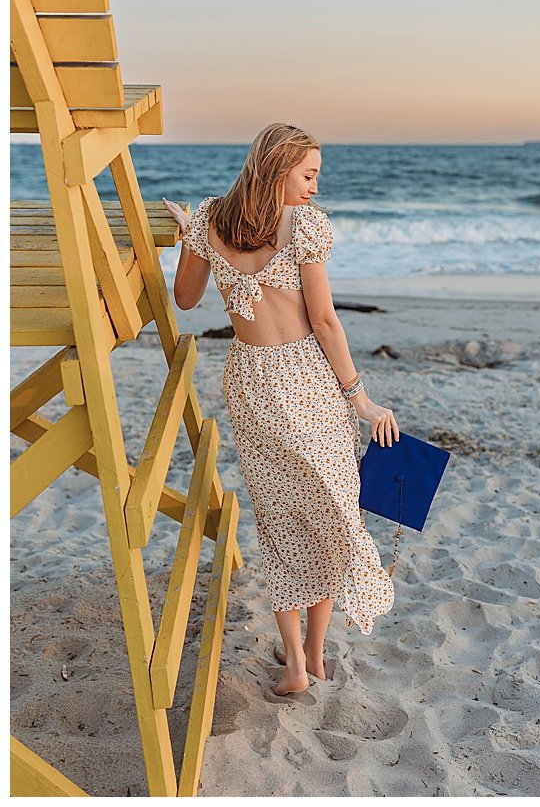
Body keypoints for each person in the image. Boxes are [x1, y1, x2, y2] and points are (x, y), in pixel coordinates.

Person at [165, 124, 398, 698]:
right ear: (277, 169)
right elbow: (324, 322)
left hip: (250, 382)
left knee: (281, 521)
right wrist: (360, 397)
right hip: (307, 380)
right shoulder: (308, 228)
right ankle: (314, 657)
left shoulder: (212, 220)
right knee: (330, 512)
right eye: (309, 174)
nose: (316, 187)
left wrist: (192, 234)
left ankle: (298, 662)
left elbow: (186, 299)